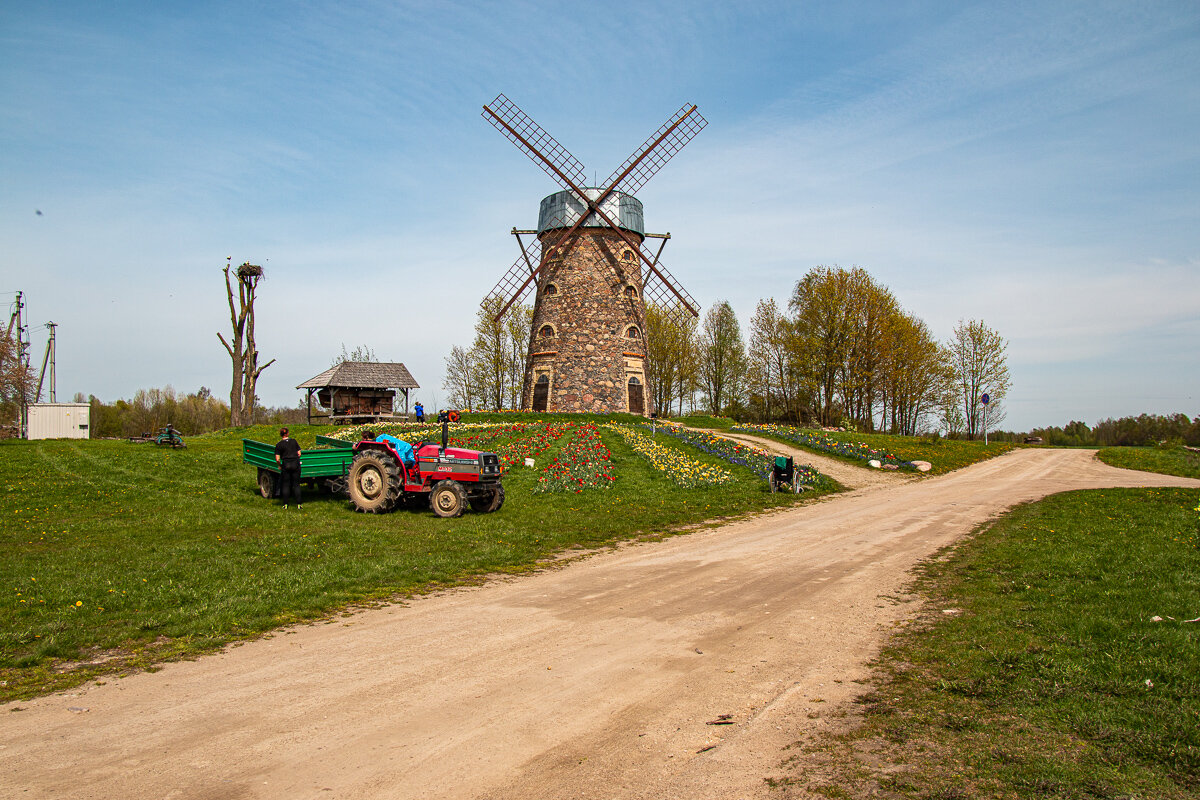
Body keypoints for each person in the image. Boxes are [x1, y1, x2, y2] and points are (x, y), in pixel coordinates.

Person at [274, 427, 303, 510]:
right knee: (296, 484)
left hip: (286, 464)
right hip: (295, 464)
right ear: (287, 433)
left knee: (286, 484)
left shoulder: (279, 444)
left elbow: (277, 459)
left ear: (281, 435)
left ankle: (285, 504)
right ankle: (299, 504)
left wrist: (280, 465)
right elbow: (299, 453)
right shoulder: (294, 441)